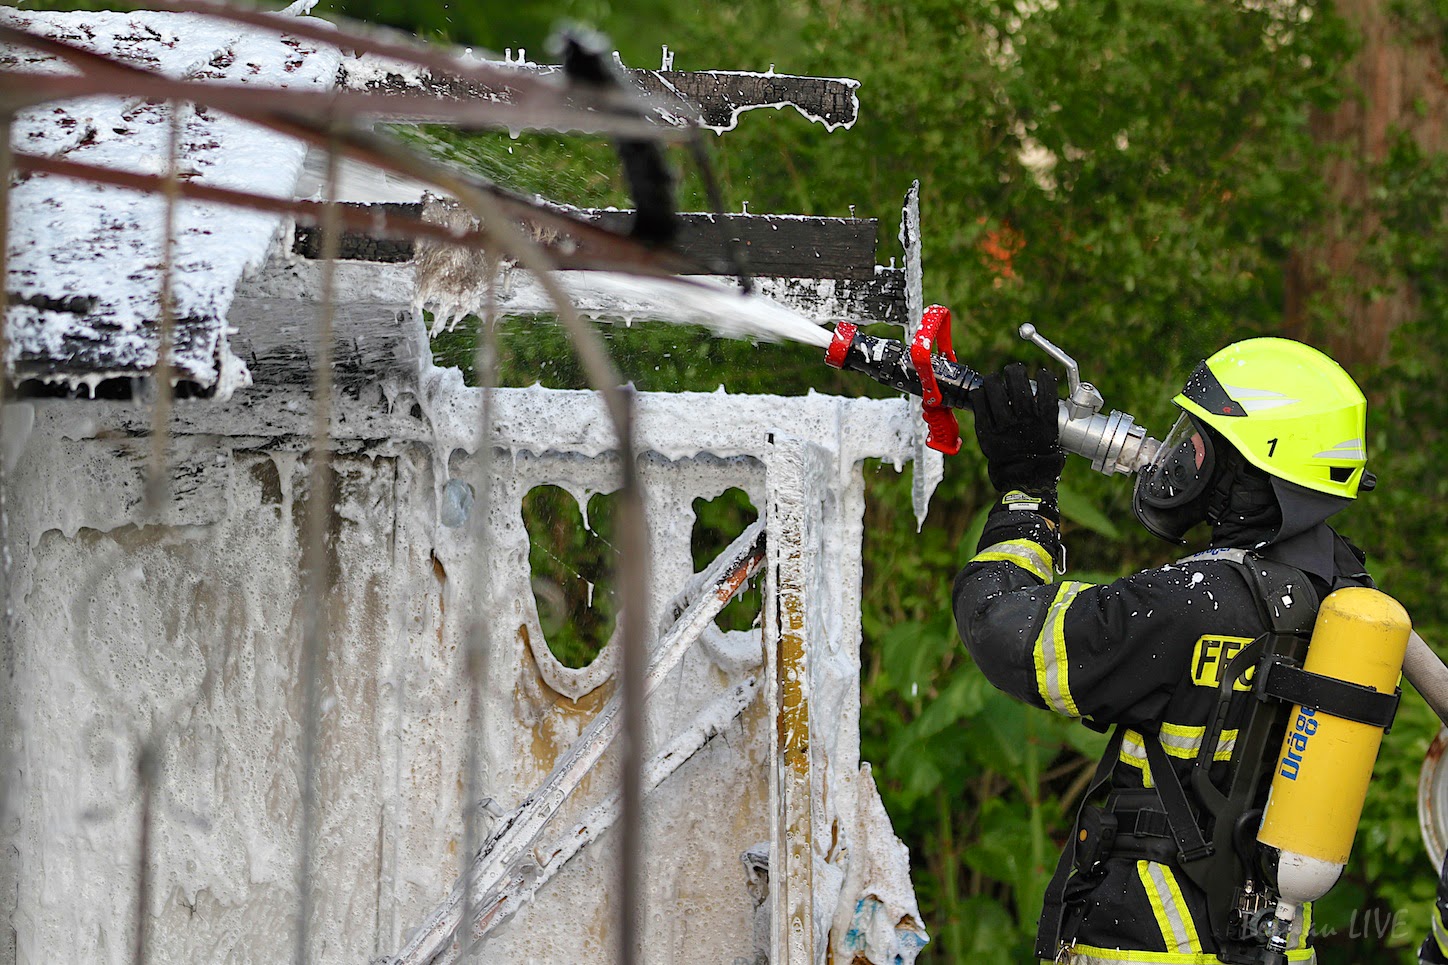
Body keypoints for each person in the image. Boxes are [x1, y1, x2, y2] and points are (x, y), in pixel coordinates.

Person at [953, 337, 1376, 964]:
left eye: (1199, 442)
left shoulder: (1194, 603)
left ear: (1249, 467)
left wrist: (1025, 492)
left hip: (1151, 944)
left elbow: (1007, 632)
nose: (1181, 456)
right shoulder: (1344, 600)